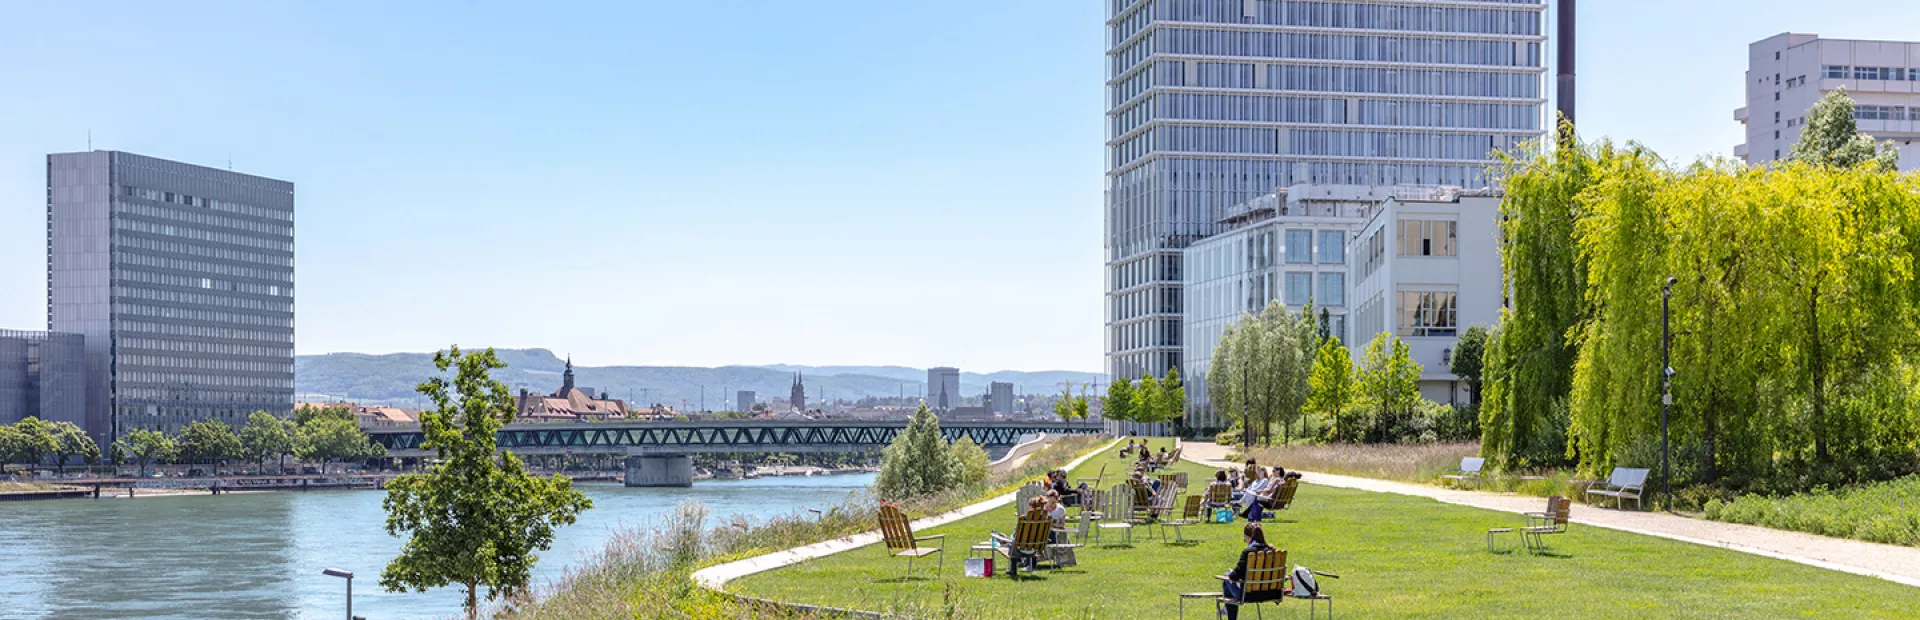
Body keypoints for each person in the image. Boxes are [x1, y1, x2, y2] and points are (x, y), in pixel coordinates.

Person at [1219, 522, 1277, 620]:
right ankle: (1226, 608)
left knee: (1226, 577)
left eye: (1245, 538)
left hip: (1248, 594)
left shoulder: (1248, 553)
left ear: (1249, 537)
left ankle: (1229, 612)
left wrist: (1231, 572)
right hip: (1270, 593)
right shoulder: (1273, 551)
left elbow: (1234, 577)